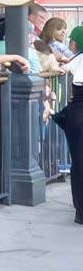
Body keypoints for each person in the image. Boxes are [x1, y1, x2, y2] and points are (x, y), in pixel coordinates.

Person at [51, 25, 83, 224]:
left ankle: (80, 210)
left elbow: (60, 69)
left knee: (79, 161)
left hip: (78, 113)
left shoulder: (77, 59)